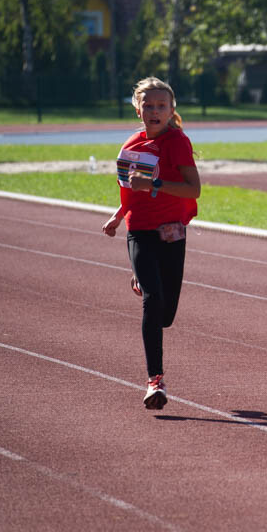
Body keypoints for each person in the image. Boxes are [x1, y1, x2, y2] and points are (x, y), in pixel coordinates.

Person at [102, 77, 201, 410]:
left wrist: (154, 184)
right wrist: (118, 216)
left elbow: (193, 189)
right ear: (137, 108)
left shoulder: (177, 143)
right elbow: (130, 190)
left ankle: (145, 277)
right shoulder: (131, 144)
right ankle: (154, 381)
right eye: (148, 105)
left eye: (161, 106)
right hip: (140, 229)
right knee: (153, 299)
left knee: (166, 315)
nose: (154, 111)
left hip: (172, 231)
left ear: (172, 110)